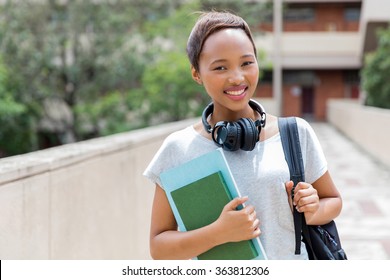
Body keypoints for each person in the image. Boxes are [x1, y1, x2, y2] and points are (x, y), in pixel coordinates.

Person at [143, 11, 342, 260]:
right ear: (196, 73)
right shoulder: (178, 148)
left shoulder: (295, 133)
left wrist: (312, 210)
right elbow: (159, 247)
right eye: (220, 67)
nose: (237, 77)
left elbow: (333, 201)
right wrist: (219, 233)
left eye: (246, 63)